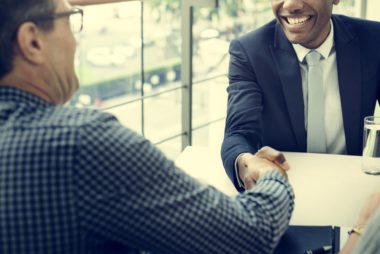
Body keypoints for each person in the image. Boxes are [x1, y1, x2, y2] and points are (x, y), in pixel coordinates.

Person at [0, 0, 294, 253]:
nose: (77, 39)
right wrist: (271, 176)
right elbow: (250, 235)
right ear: (32, 42)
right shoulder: (81, 144)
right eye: (70, 18)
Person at [221, 0, 380, 191]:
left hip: (355, 190)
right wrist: (247, 164)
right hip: (282, 192)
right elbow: (238, 134)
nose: (291, 5)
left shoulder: (373, 39)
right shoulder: (249, 52)